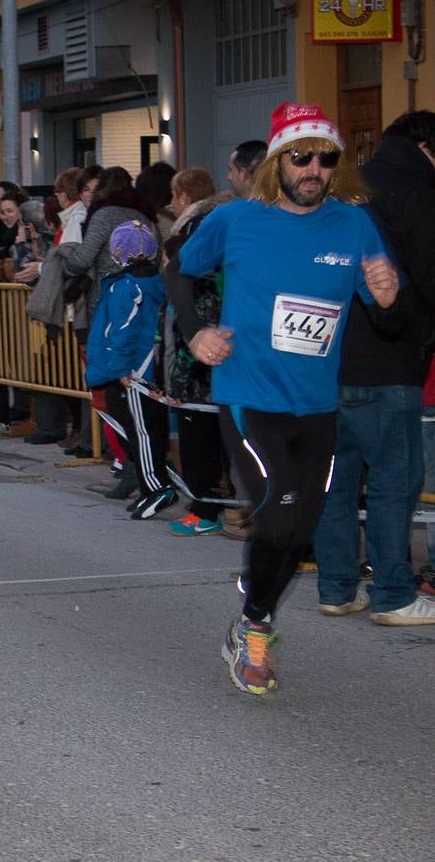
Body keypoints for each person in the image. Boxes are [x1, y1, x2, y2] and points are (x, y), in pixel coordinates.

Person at [175, 102, 400, 695]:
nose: (314, 169)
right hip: (250, 394)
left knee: (299, 529)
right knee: (277, 510)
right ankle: (254, 632)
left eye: (327, 159)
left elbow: (385, 310)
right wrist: (194, 331)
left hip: (318, 404)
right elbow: (176, 270)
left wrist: (388, 293)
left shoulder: (354, 225)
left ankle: (254, 619)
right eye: (302, 157)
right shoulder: (236, 221)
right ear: (278, 162)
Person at [312, 110, 435, 625]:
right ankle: (393, 593)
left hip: (328, 359)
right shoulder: (420, 193)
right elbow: (428, 279)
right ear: (426, 146)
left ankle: (338, 586)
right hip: (391, 360)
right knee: (392, 481)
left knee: (336, 481)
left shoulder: (341, 192)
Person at [85, 220, 176, 520]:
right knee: (146, 429)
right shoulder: (153, 282)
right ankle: (155, 483)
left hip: (133, 371)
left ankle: (156, 486)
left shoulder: (127, 286)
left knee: (142, 431)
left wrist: (122, 368)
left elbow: (123, 330)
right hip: (143, 367)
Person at [160, 166, 231, 535]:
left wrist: (180, 377)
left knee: (202, 438)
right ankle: (215, 504)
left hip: (201, 368)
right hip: (202, 364)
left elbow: (193, 336)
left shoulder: (198, 230)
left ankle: (207, 507)